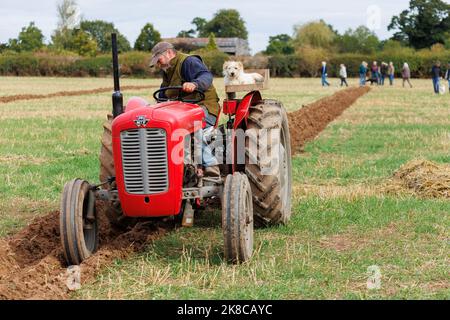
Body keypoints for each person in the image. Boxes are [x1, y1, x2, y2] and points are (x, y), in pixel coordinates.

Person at [149, 41, 220, 177]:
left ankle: (211, 165)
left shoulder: (188, 62)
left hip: (204, 106)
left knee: (192, 124)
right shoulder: (167, 70)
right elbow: (164, 93)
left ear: (169, 53)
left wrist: (194, 84)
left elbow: (206, 76)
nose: (158, 64)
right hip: (181, 111)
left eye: (159, 59)